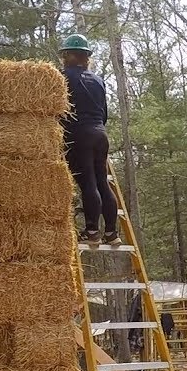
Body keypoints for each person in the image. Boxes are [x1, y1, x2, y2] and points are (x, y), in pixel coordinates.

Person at [58, 33, 120, 245]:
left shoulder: (62, 77)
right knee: (102, 181)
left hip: (78, 134)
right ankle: (112, 233)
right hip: (100, 134)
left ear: (66, 55)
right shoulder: (98, 80)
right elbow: (104, 113)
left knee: (88, 182)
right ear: (86, 57)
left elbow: (57, 110)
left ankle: (93, 230)